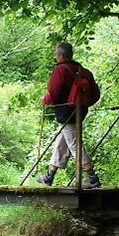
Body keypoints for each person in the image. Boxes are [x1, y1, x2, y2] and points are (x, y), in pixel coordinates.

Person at [37, 42, 101, 189]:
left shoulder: (60, 70)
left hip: (66, 112)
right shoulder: (83, 71)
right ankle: (49, 176)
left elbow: (53, 93)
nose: (55, 57)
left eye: (55, 54)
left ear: (61, 55)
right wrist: (84, 104)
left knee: (74, 143)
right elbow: (96, 95)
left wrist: (44, 100)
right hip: (80, 111)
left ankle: (92, 177)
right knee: (62, 141)